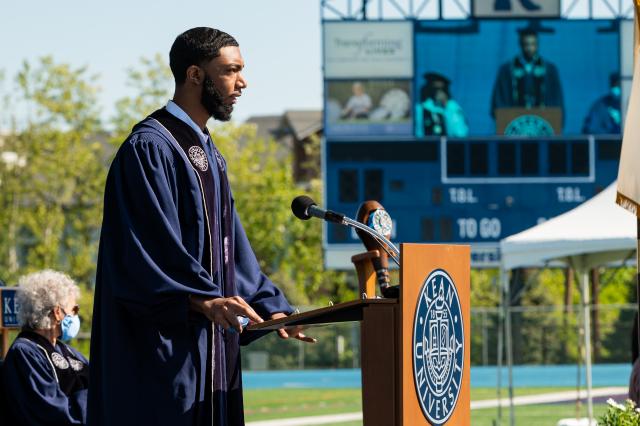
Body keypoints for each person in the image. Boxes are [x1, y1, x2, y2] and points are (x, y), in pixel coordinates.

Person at [88, 27, 314, 426]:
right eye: (230, 70)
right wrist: (201, 299)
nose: (242, 82)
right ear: (195, 75)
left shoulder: (209, 154)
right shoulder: (150, 148)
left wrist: (271, 307)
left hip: (212, 345)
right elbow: (145, 252)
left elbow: (233, 253)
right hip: (164, 353)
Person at [2, 270, 88, 425]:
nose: (76, 316)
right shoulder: (24, 353)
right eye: (74, 310)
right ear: (57, 313)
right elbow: (53, 412)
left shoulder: (68, 352)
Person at [490, 28, 564, 118]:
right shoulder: (507, 70)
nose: (530, 48)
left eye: (533, 44)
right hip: (514, 122)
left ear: (537, 45)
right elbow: (499, 100)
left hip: (542, 122)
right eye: (526, 44)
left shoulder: (549, 69)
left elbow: (556, 100)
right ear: (520, 45)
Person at [416, 72, 468, 137]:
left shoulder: (452, 107)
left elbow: (461, 133)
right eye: (435, 89)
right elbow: (417, 133)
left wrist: (447, 105)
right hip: (425, 145)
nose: (438, 92)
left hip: (447, 145)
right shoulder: (420, 108)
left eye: (441, 89)